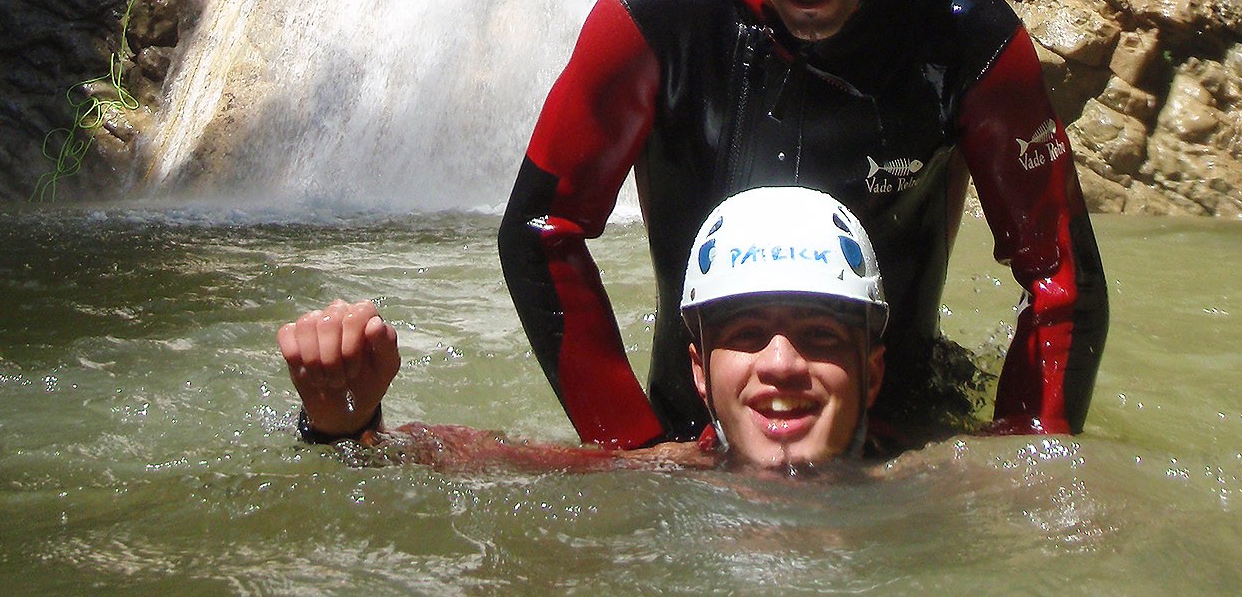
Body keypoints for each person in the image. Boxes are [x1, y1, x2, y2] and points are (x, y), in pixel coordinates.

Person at [497, 0, 1109, 449]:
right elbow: (540, 230)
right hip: (694, 438)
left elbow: (1065, 279)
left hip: (905, 446)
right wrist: (631, 448)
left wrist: (1015, 464)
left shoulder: (965, 36)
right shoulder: (655, 17)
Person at [278, 188, 890, 471]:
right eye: (749, 332)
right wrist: (346, 417)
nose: (781, 363)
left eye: (823, 335)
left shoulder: (953, 483)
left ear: (873, 372)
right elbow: (426, 458)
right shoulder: (644, 479)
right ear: (700, 371)